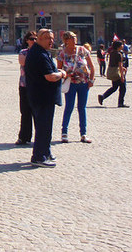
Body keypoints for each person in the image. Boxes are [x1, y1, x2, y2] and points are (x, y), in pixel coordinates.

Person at [24, 28, 66, 167]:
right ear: (40, 39)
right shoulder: (39, 54)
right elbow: (50, 76)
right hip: (41, 97)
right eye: (48, 38)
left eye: (52, 38)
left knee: (45, 127)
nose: (51, 41)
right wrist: (61, 74)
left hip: (42, 96)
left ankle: (46, 152)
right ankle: (38, 157)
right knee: (43, 127)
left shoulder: (42, 52)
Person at [56, 31, 95, 144]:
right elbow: (59, 70)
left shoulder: (82, 50)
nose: (75, 39)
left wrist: (91, 80)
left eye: (75, 37)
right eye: (72, 38)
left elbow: (91, 66)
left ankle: (83, 134)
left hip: (83, 83)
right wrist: (67, 74)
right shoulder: (62, 53)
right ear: (66, 40)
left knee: (82, 108)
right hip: (71, 83)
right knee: (69, 107)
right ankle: (64, 133)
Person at [16, 31, 36, 146]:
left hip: (37, 86)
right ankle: (24, 137)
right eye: (31, 39)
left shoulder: (41, 52)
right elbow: (23, 62)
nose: (34, 41)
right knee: (25, 112)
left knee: (38, 113)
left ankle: (40, 137)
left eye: (35, 39)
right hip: (25, 86)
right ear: (27, 40)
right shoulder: (23, 52)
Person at [98, 40, 129, 108]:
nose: (122, 46)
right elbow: (119, 65)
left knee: (114, 87)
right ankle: (120, 103)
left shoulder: (112, 53)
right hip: (117, 72)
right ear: (118, 46)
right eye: (121, 45)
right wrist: (122, 76)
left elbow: (113, 63)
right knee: (123, 88)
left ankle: (103, 96)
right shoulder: (118, 54)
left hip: (112, 71)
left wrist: (122, 68)